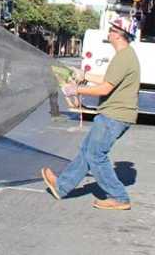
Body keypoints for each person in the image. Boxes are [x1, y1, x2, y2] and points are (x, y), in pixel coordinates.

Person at [41, 19, 140, 210]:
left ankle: (119, 197)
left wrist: (76, 90)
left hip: (114, 115)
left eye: (111, 30)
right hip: (113, 114)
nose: (109, 33)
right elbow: (108, 80)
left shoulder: (124, 57)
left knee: (96, 155)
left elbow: (104, 89)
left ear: (119, 34)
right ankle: (61, 186)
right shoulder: (124, 56)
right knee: (87, 151)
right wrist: (84, 76)